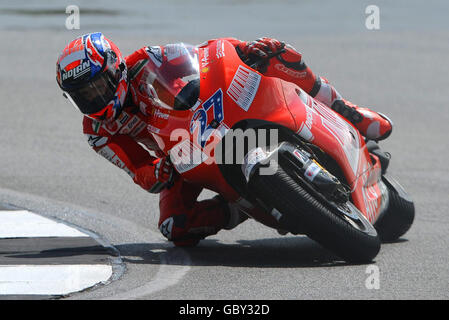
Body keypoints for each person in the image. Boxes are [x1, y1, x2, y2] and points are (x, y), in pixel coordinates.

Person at [56, 33, 392, 246]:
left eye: (98, 86)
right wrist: (157, 173)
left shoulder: (147, 60)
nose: (95, 98)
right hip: (180, 158)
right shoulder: (98, 132)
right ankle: (238, 207)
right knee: (174, 227)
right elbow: (138, 169)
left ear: (115, 68)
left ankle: (342, 108)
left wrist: (241, 52)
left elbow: (201, 57)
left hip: (203, 118)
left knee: (275, 52)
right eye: (83, 95)